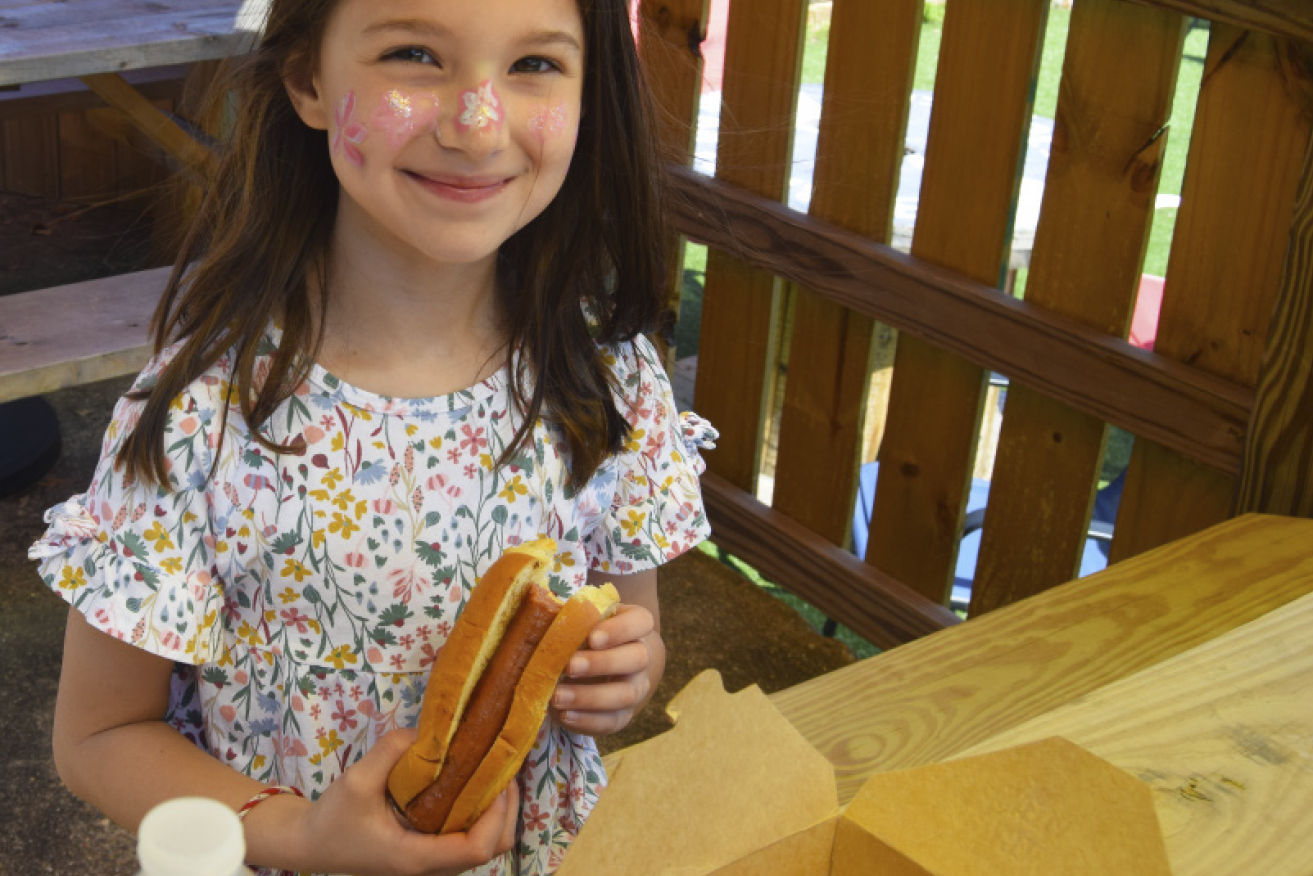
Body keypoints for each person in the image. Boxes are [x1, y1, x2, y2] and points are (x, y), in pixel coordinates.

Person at [29, 0, 716, 873]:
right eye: (414, 54)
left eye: (534, 65)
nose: (477, 126)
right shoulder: (200, 419)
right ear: (307, 78)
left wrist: (622, 673)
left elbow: (631, 626)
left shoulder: (608, 379)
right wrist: (302, 836)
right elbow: (100, 736)